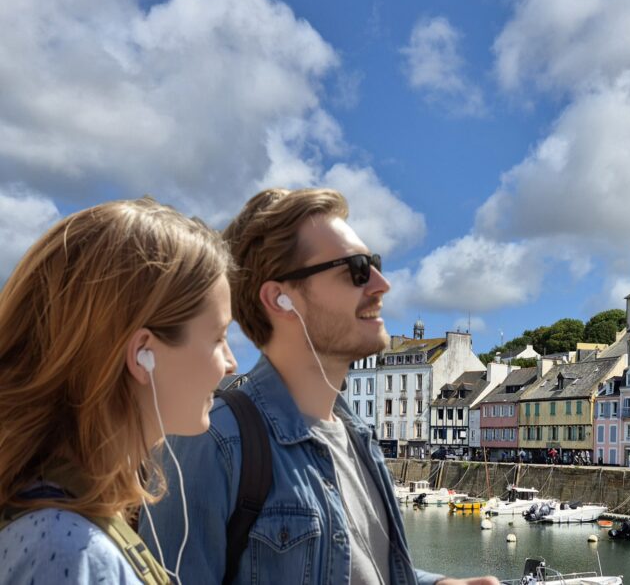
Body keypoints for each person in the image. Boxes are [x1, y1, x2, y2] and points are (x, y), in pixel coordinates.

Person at [141, 188, 497, 585]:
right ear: (280, 299)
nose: (381, 284)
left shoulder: (358, 439)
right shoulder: (211, 443)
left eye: (375, 265)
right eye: (356, 269)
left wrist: (437, 583)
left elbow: (356, 567)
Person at [0, 199, 236, 584]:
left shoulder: (64, 524)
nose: (231, 363)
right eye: (219, 338)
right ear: (143, 354)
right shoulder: (68, 548)